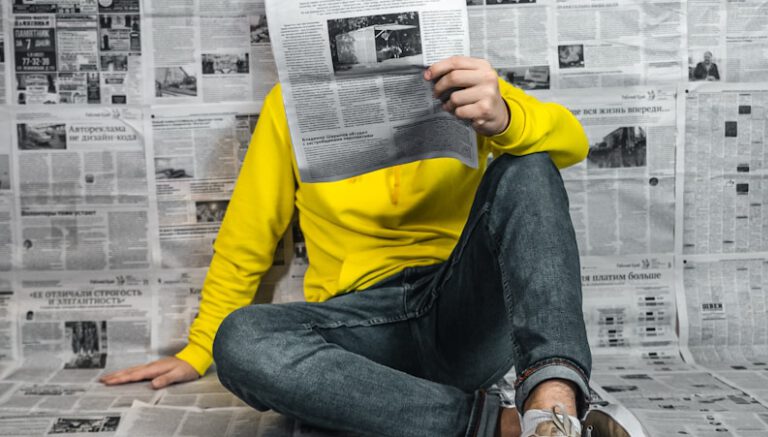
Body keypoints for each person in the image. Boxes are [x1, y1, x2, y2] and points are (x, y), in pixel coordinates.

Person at [101, 56, 611, 437]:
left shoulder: (467, 86)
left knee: (529, 164)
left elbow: (573, 143)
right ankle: (499, 427)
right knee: (240, 339)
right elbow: (248, 234)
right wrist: (199, 346)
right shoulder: (288, 105)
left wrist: (502, 114)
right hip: (357, 331)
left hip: (460, 312)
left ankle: (554, 404)